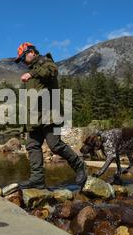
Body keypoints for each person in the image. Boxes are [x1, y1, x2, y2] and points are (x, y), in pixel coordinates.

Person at [15, 42, 87, 189]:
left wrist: (31, 74)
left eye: (23, 57)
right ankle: (37, 179)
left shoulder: (45, 62)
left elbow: (52, 71)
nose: (23, 61)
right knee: (32, 145)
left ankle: (80, 167)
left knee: (55, 145)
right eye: (21, 59)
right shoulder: (32, 71)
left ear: (32, 52)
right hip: (35, 117)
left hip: (51, 114)